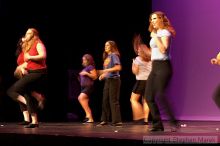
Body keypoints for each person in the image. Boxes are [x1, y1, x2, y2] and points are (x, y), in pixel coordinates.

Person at [144, 11, 178, 132]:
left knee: (160, 94)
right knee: (148, 96)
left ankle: (173, 121)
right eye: (151, 19)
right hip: (155, 67)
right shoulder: (156, 33)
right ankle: (157, 124)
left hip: (164, 66)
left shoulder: (164, 32)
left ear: (160, 19)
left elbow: (163, 49)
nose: (152, 21)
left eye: (154, 18)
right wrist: (144, 52)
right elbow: (154, 52)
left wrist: (155, 37)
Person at [7, 28, 47, 128]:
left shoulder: (38, 43)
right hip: (31, 72)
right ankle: (34, 121)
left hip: (38, 72)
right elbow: (26, 61)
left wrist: (30, 57)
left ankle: (33, 104)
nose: (26, 35)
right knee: (27, 93)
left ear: (34, 35)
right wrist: (21, 67)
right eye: (26, 33)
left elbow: (43, 55)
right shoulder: (29, 47)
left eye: (29, 33)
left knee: (11, 91)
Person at [97, 40, 122, 127]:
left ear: (112, 46)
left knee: (113, 100)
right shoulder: (107, 57)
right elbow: (108, 71)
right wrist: (103, 75)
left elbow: (118, 67)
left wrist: (106, 71)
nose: (105, 47)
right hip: (108, 80)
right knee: (105, 100)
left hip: (114, 80)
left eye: (107, 45)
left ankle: (117, 121)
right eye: (105, 45)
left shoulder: (114, 55)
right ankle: (104, 120)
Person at [130, 35, 151, 125]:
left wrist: (133, 64)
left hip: (141, 81)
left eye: (139, 49)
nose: (137, 51)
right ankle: (145, 120)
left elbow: (135, 72)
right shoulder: (151, 59)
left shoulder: (137, 59)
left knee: (133, 99)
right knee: (145, 101)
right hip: (150, 81)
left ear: (142, 51)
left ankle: (139, 115)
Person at [78, 54, 97, 123]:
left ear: (88, 60)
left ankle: (88, 115)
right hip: (83, 87)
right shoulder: (85, 68)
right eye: (83, 60)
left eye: (84, 60)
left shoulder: (90, 67)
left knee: (80, 98)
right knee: (85, 102)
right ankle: (90, 118)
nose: (83, 61)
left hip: (89, 86)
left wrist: (86, 73)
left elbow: (95, 76)